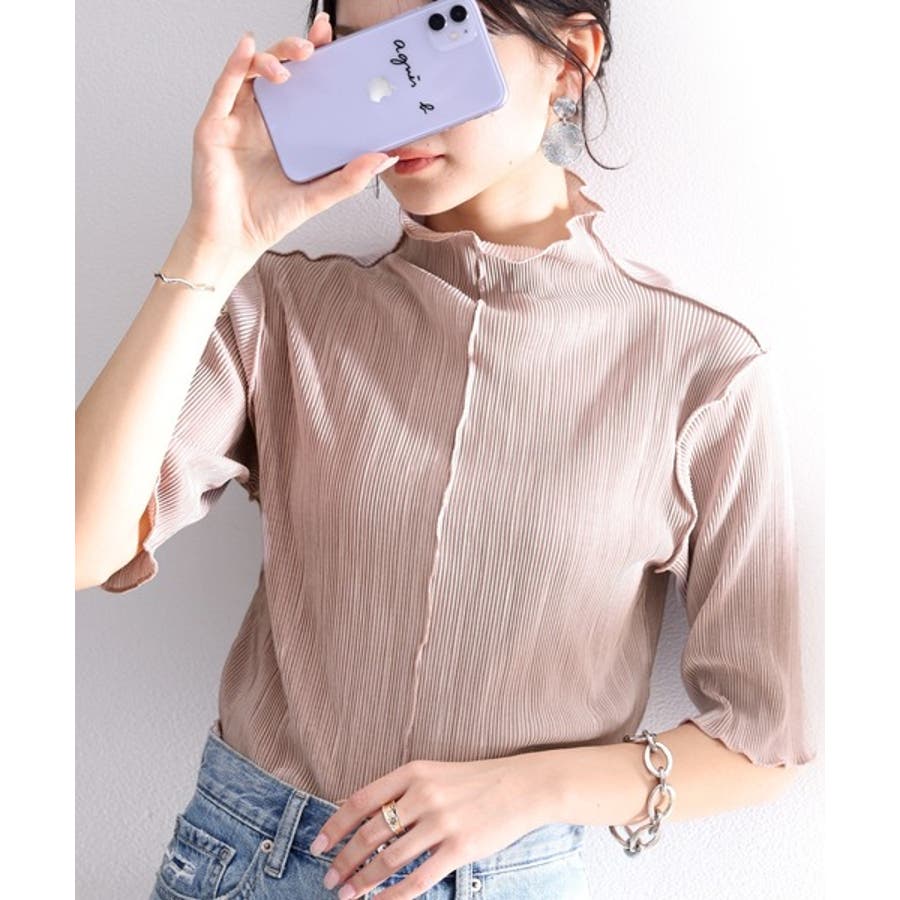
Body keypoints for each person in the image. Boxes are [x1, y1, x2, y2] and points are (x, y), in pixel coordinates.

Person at [75, 2, 818, 898]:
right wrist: (211, 242)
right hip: (247, 863)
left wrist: (531, 789)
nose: (395, 91)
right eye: (360, 52)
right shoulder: (278, 313)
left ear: (571, 57)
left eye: (435, 34)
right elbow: (72, 547)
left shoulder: (701, 369)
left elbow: (765, 740)